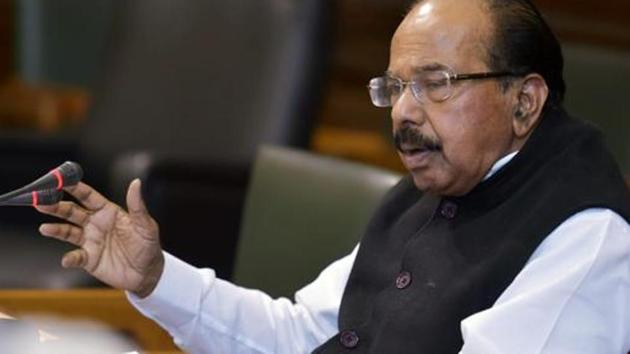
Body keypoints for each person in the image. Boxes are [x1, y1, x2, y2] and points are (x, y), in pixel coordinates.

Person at [35, 0, 630, 353]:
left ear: (524, 101)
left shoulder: (587, 236)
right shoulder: (432, 191)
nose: (403, 112)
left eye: (435, 83)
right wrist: (156, 277)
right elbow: (300, 335)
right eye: (395, 88)